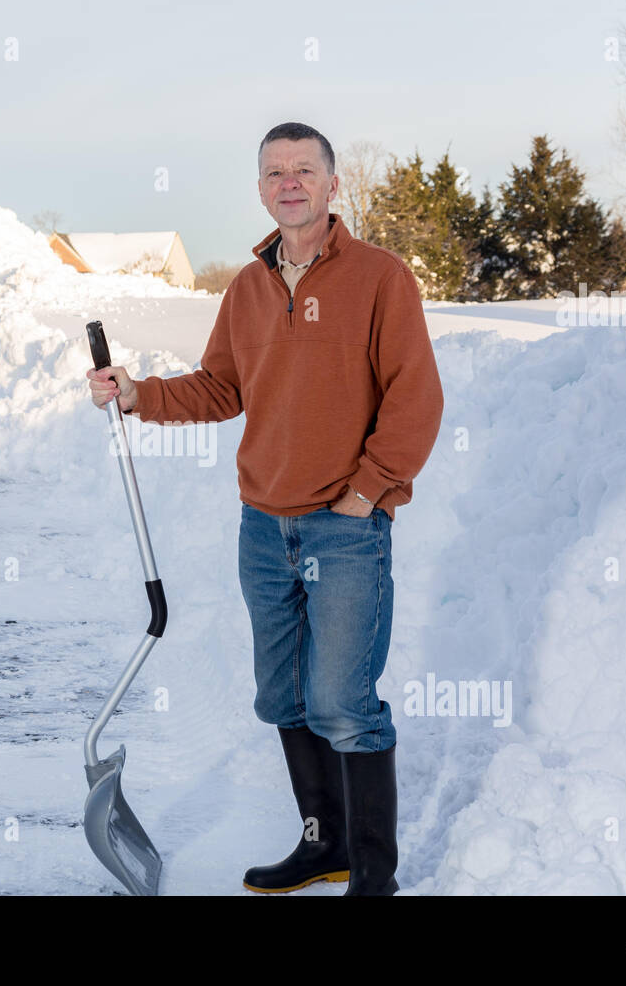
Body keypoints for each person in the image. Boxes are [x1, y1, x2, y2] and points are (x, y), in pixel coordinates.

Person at [86, 121, 443, 896]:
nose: (290, 182)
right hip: (263, 526)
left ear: (332, 184)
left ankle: (374, 877)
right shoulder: (247, 287)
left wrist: (364, 495)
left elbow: (416, 399)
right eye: (275, 171)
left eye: (304, 170)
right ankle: (325, 844)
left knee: (344, 703)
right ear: (260, 189)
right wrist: (140, 393)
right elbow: (221, 387)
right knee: (283, 696)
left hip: (344, 528)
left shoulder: (380, 277)